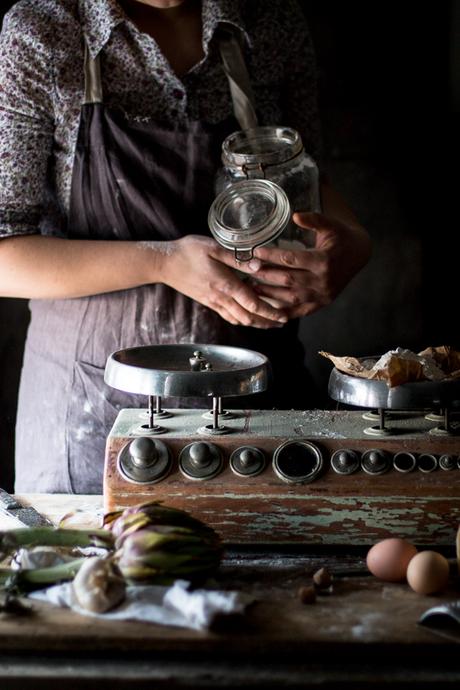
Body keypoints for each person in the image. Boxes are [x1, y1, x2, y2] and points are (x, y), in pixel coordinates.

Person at [0, 0, 371, 494]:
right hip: (93, 412)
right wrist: (164, 261)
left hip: (255, 400)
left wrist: (354, 244)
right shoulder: (45, 32)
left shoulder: (271, 22)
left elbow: (307, 180)